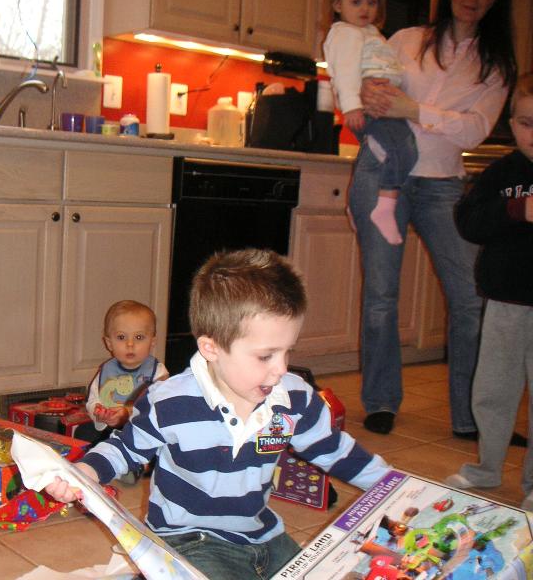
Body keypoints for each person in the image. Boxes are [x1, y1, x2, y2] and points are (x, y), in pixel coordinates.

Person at [46, 249, 391, 579]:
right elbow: (124, 448)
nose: (281, 369)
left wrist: (392, 487)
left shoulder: (293, 397)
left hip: (262, 536)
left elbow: (335, 450)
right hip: (187, 539)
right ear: (211, 348)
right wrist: (86, 471)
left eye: (288, 351)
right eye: (265, 356)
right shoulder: (169, 400)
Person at [349, 0, 517, 436]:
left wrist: (412, 108)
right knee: (381, 296)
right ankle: (381, 401)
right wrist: (372, 97)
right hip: (382, 176)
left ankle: (470, 416)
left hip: (443, 184)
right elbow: (372, 96)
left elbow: (474, 131)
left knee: (471, 298)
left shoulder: (496, 64)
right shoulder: (406, 41)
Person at [445, 73, 533, 509]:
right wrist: (515, 209)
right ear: (512, 123)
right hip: (505, 300)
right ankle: (486, 467)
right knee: (493, 389)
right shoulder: (501, 173)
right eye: (527, 123)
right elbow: (468, 222)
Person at [324, 0, 417, 246]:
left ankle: (360, 207)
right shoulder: (346, 33)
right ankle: (384, 207)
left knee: (405, 150)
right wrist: (352, 106)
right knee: (402, 151)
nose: (364, 9)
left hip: (383, 106)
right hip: (369, 108)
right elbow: (345, 72)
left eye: (371, 2)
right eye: (356, 2)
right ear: (337, 4)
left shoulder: (369, 32)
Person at [77, 300, 168, 447]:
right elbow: (93, 400)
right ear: (109, 343)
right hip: (109, 427)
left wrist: (127, 414)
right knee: (83, 433)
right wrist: (100, 413)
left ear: (152, 342)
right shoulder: (107, 370)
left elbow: (161, 406)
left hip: (142, 431)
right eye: (121, 337)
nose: (130, 344)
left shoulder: (158, 373)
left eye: (139, 337)